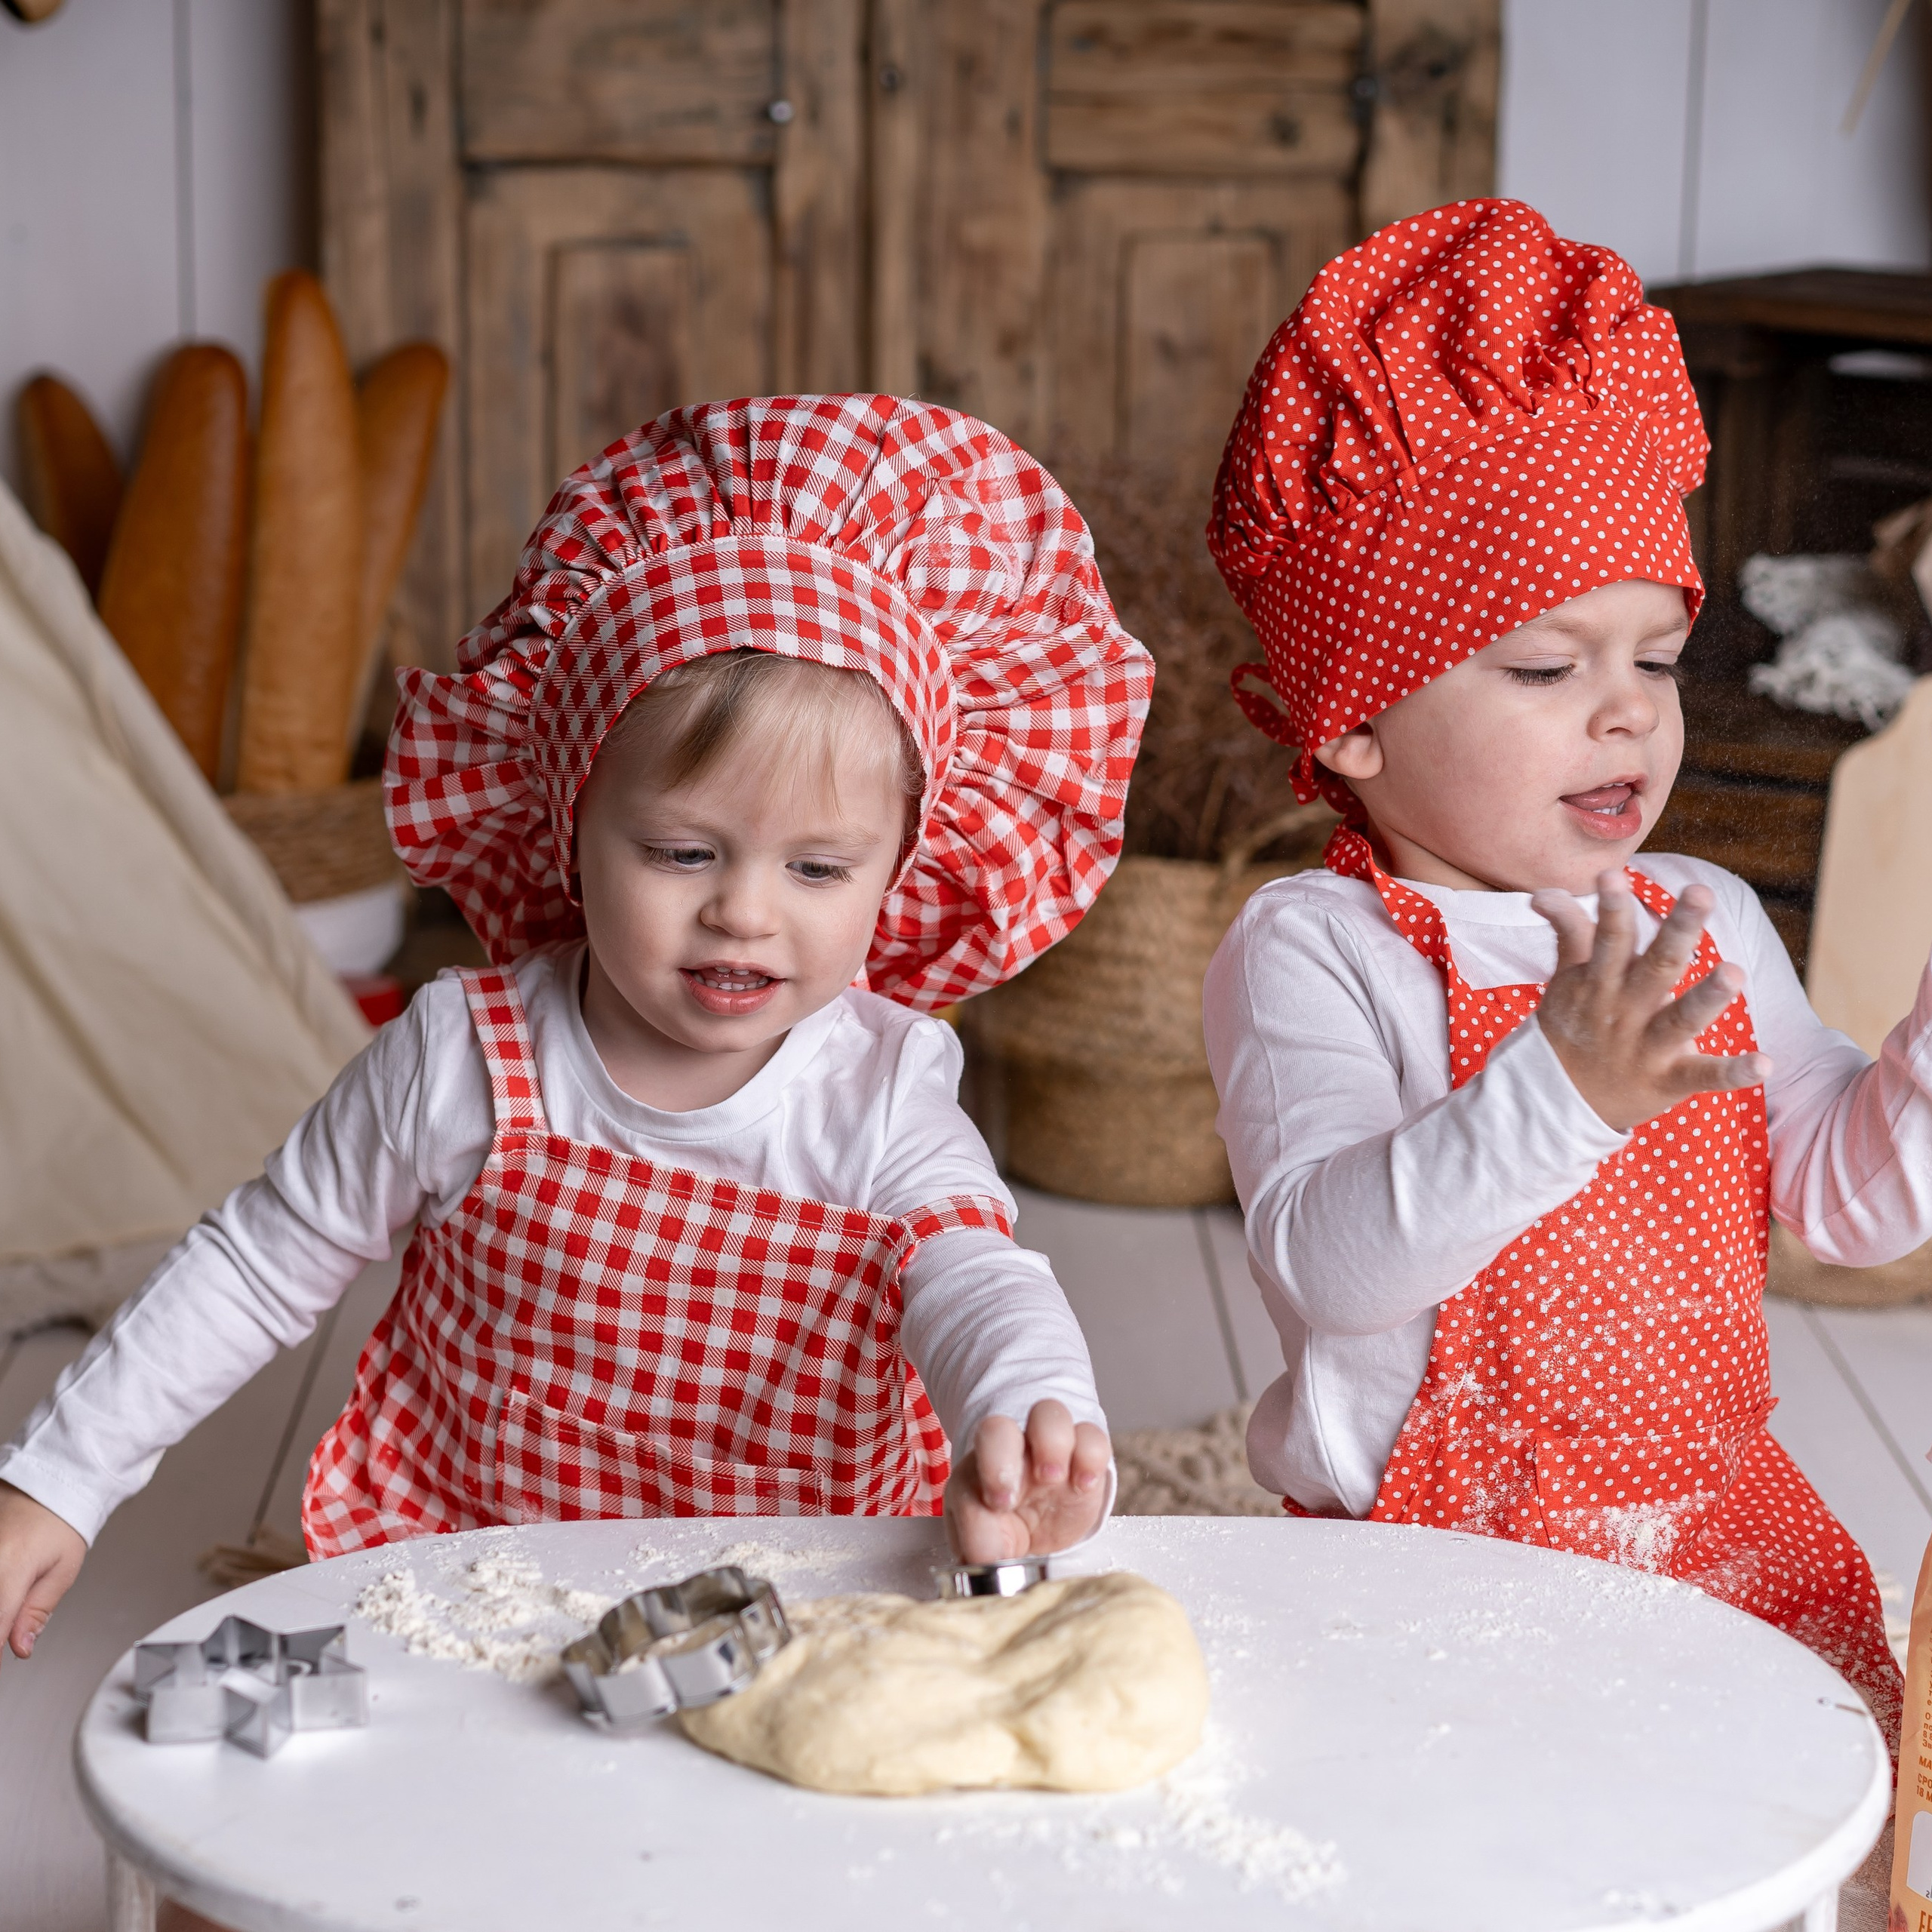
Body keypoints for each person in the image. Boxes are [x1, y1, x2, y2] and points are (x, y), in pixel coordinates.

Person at [0, 393, 1153, 1664]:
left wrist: (1028, 1408)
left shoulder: (876, 1097)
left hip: (797, 1605)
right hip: (476, 1574)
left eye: (821, 871)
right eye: (680, 850)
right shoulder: (465, 1057)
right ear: (569, 822)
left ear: (901, 873)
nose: (744, 914)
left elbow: (976, 1278)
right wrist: (62, 1477)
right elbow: (260, 1260)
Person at [1201, 200, 1914, 1743]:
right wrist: (1560, 1092)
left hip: (1704, 1543)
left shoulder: (1702, 916)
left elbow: (1851, 1201)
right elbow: (1327, 1267)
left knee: (1796, 1814)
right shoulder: (1318, 951)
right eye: (1544, 667)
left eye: (1653, 660)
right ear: (1351, 719)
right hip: (1418, 1574)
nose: (1624, 716)